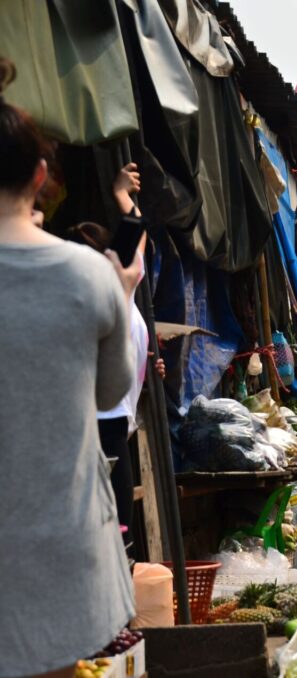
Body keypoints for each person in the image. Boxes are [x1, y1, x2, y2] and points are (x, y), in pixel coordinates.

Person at [0, 59, 139, 678]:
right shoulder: (88, 276)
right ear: (38, 175)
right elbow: (112, 392)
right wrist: (126, 292)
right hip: (61, 549)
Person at [67, 164, 165, 546]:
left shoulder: (120, 286)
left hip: (116, 422)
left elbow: (134, 232)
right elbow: (135, 230)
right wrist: (121, 192)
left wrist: (143, 366)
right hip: (102, 426)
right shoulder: (107, 291)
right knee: (116, 531)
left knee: (116, 527)